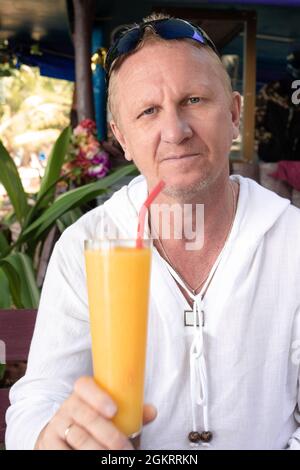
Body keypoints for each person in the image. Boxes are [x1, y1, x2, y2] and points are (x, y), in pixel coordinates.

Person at [5, 13, 300, 450]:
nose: (175, 132)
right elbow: (42, 395)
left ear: (235, 113)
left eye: (194, 101)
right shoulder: (89, 245)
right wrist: (51, 438)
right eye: (148, 111)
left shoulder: (292, 239)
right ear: (123, 139)